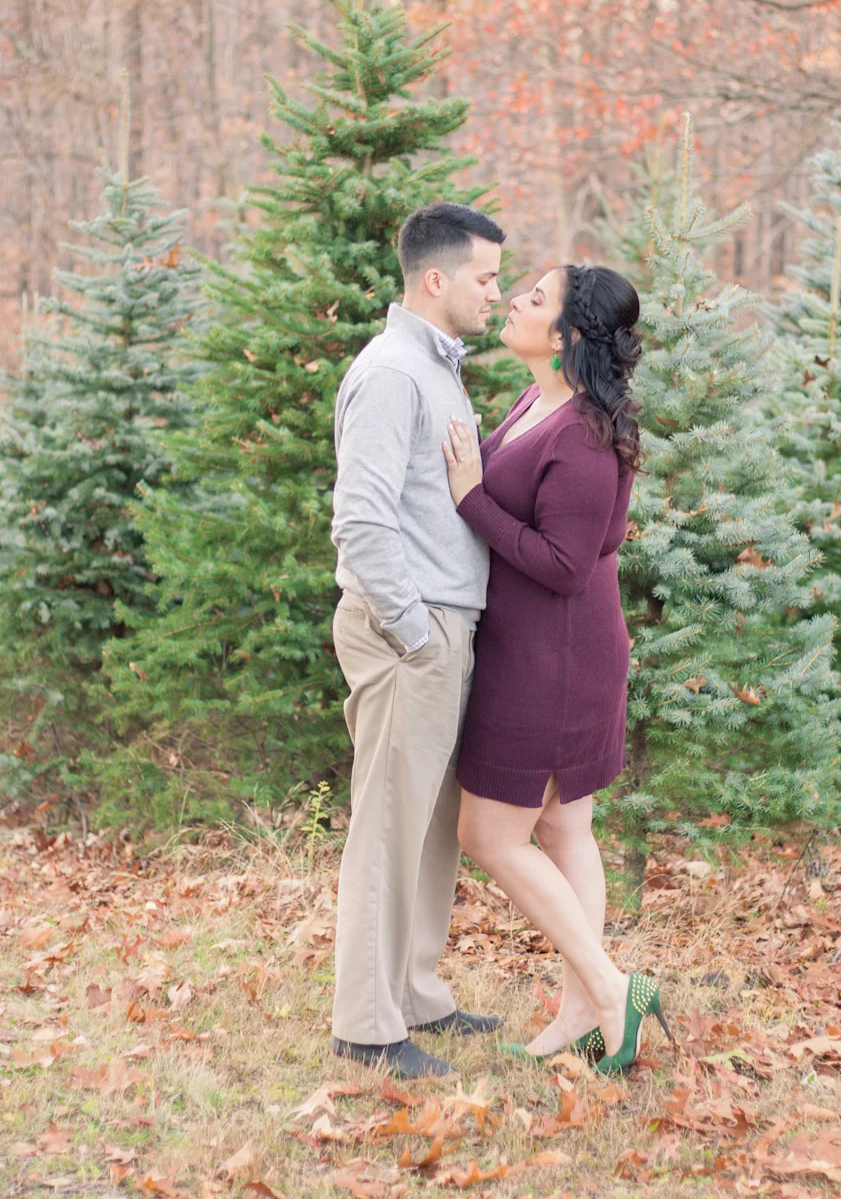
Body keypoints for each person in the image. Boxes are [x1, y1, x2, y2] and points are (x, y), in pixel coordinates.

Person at [440, 263, 670, 1076]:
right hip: (540, 647)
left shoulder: (581, 437)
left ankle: (611, 989)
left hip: (557, 662)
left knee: (489, 832)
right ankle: (582, 1012)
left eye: (534, 299)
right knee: (565, 825)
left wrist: (470, 497)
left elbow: (566, 563)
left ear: (569, 336)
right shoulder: (539, 400)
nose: (513, 301)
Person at [328, 202, 507, 1079]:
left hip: (445, 624)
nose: (497, 294)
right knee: (390, 826)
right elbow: (360, 520)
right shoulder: (394, 372)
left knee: (432, 825)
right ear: (435, 279)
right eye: (486, 277)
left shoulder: (438, 365)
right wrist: (412, 632)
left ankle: (417, 993)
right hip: (412, 630)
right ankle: (367, 1024)